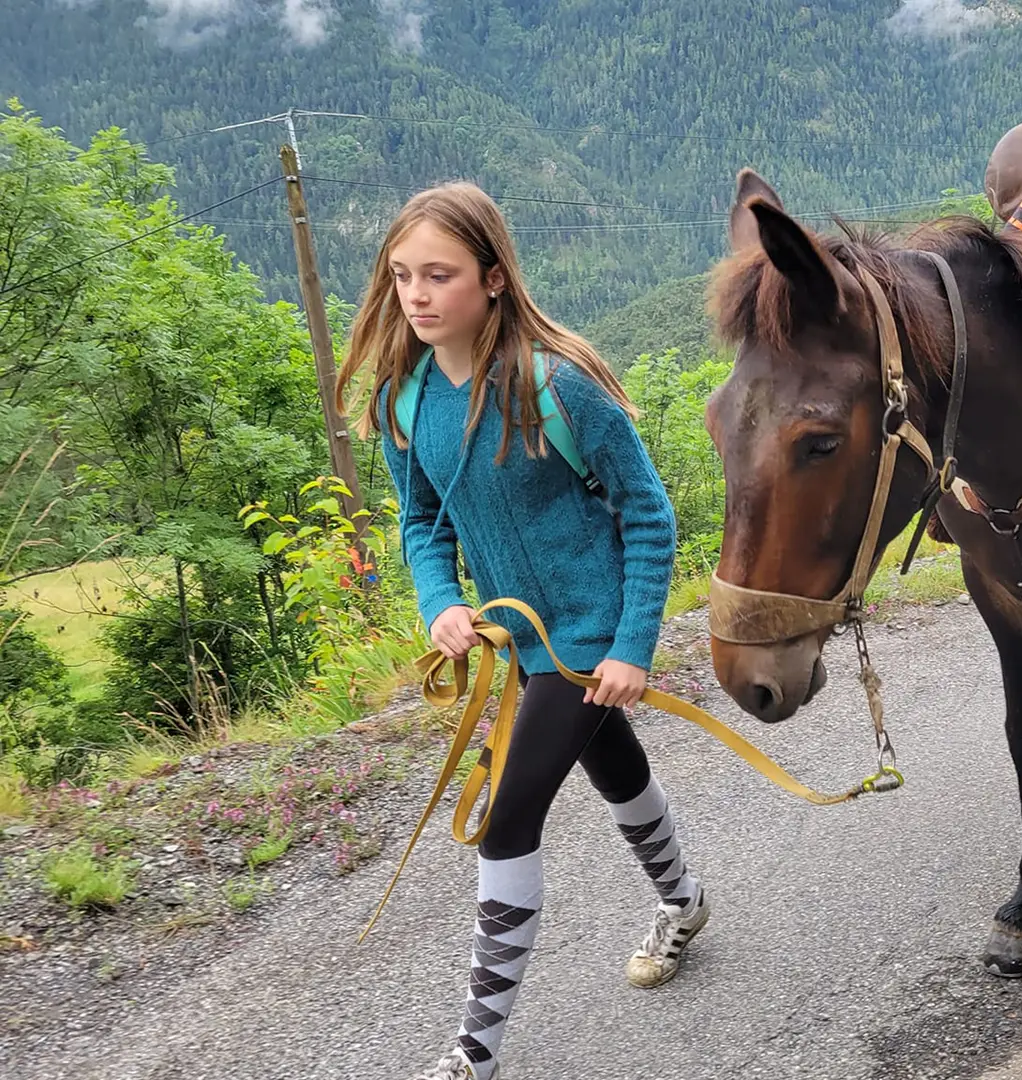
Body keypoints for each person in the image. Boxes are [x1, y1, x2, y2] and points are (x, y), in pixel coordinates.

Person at [337, 182, 709, 1080]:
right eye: (400, 277)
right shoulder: (404, 402)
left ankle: (476, 1050)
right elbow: (422, 522)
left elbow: (648, 516)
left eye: (438, 275)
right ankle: (686, 902)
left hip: (583, 637)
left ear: (494, 278)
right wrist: (441, 603)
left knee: (505, 822)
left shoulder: (561, 384)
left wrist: (628, 648)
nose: (415, 296)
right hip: (515, 641)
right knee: (615, 765)